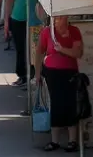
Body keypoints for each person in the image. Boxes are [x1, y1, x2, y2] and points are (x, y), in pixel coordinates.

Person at [35, 15, 84, 152]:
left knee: (70, 103)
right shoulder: (47, 32)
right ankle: (54, 140)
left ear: (66, 18)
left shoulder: (74, 31)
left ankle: (72, 140)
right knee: (56, 103)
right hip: (52, 73)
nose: (57, 21)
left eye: (60, 18)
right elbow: (39, 51)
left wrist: (62, 49)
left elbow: (78, 53)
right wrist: (37, 72)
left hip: (70, 73)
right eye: (55, 18)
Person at [3, 0, 32, 87]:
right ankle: (22, 75)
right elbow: (9, 4)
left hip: (32, 21)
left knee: (31, 48)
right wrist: (6, 22)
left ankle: (32, 74)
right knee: (20, 48)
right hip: (17, 20)